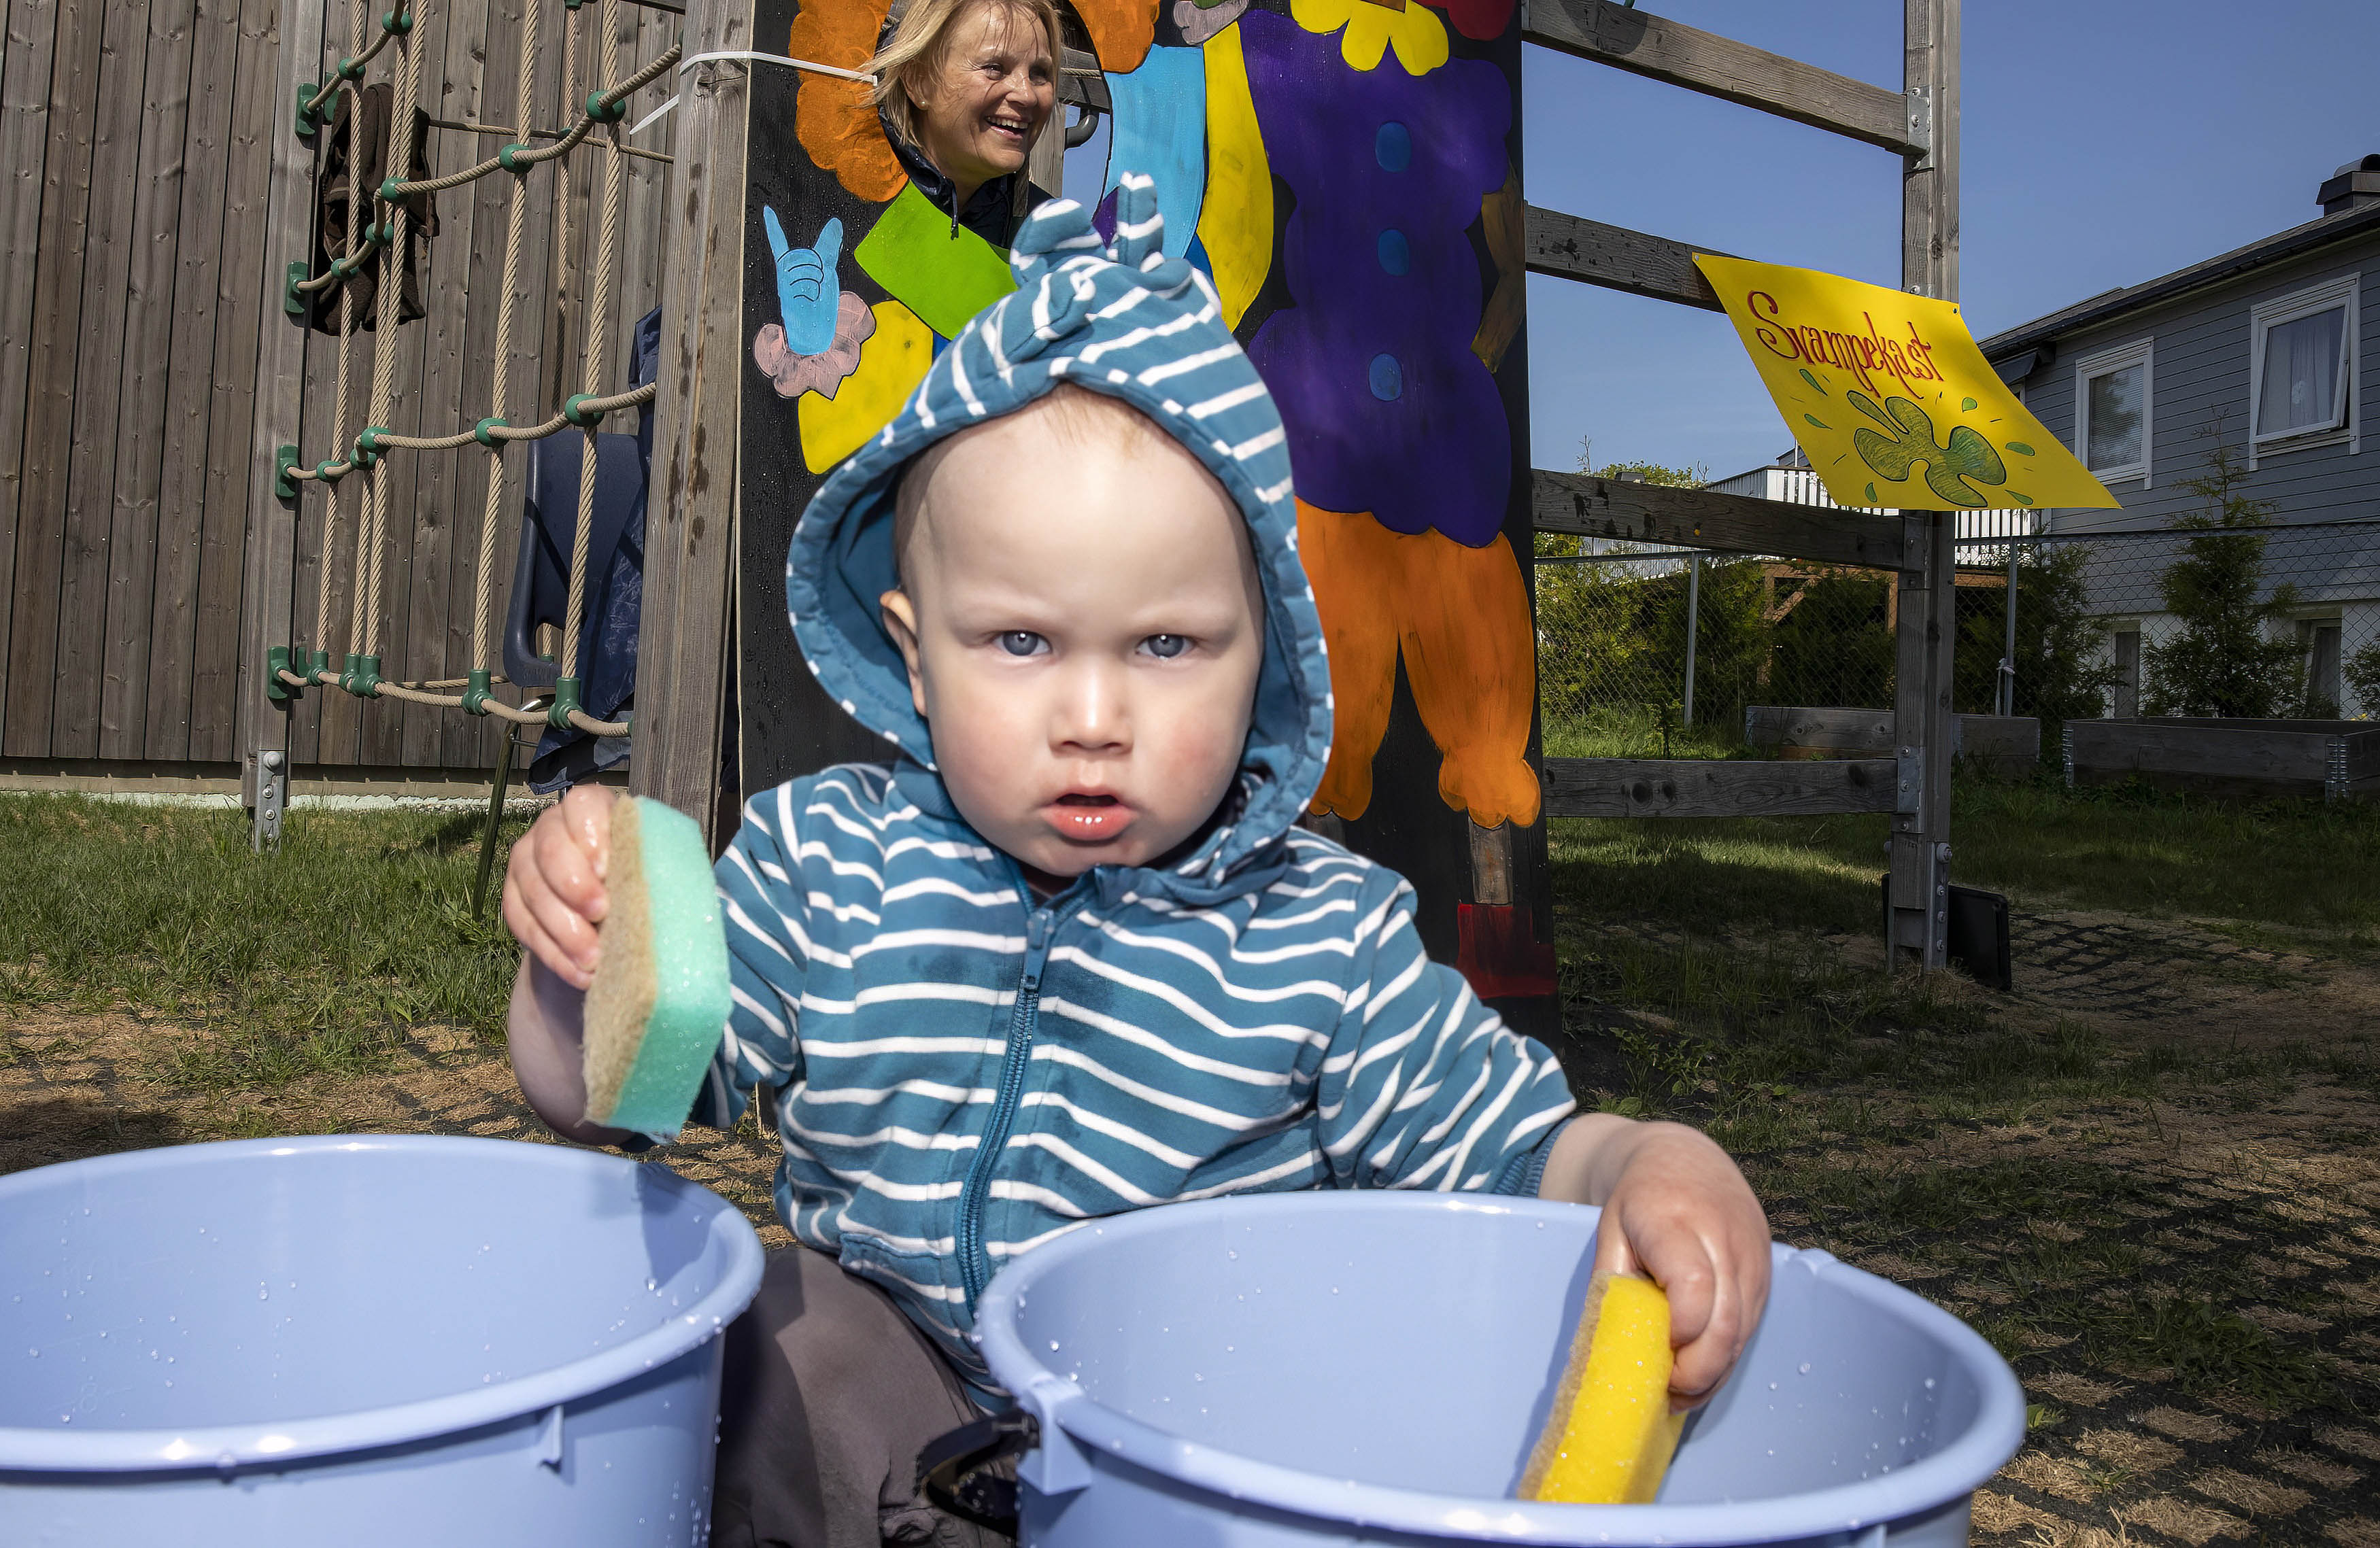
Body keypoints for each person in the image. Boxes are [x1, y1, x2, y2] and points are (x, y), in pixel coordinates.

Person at [502, 184, 1771, 1548]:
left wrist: (1647, 1158)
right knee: (767, 1338)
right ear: (913, 649)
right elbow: (611, 1095)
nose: (1093, 720)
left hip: (1192, 1442)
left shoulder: (1318, 933)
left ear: (1266, 656)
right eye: (1021, 644)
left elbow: (1515, 1150)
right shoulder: (828, 861)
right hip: (905, 1391)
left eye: (1166, 646)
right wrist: (581, 961)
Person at [870, 0, 1059, 245]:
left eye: (1039, 73)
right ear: (919, 82)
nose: (1027, 95)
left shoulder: (1055, 242)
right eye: (994, 68)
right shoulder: (838, 198)